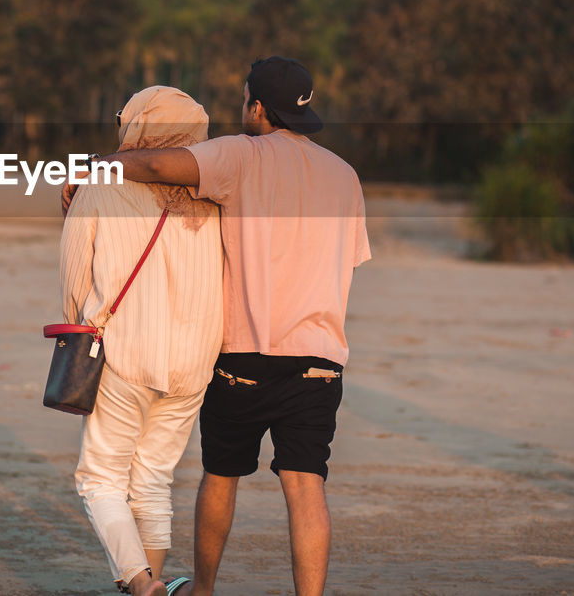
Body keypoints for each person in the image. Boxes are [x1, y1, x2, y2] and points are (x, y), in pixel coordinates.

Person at [65, 57, 371, 596]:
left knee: (222, 477)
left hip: (243, 358)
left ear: (257, 107)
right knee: (306, 489)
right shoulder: (345, 177)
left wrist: (91, 165)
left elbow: (159, 168)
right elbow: (346, 261)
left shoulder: (239, 155)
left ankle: (201, 589)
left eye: (244, 101)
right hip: (321, 358)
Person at [61, 86, 224, 596]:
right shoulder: (216, 195)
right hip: (195, 362)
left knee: (100, 478)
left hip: (125, 353)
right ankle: (150, 584)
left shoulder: (99, 185)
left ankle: (140, 584)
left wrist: (81, 336)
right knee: (153, 478)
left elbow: (74, 281)